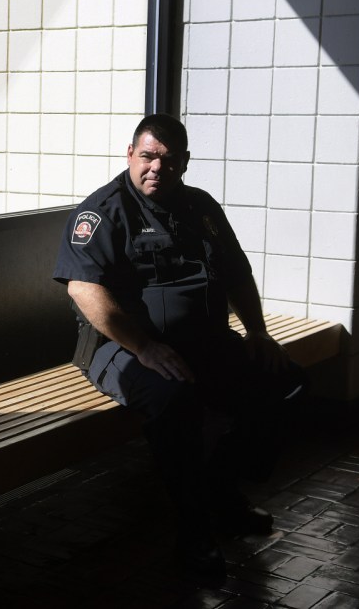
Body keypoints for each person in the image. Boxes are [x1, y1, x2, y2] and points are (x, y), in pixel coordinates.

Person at [53, 113, 306, 581]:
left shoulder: (201, 207)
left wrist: (258, 332)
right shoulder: (102, 213)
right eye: (147, 156)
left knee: (285, 382)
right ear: (129, 155)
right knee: (176, 404)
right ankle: (194, 533)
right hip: (123, 348)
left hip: (204, 343)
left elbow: (237, 274)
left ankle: (222, 491)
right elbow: (82, 290)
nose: (156, 168)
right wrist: (144, 347)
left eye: (168, 160)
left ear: (184, 163)